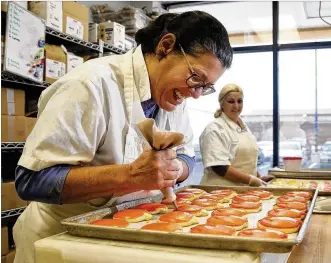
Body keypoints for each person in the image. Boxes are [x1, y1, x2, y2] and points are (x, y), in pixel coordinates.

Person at [13, 11, 233, 263]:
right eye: (196, 78)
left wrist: (175, 168)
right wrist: (131, 176)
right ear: (166, 46)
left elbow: (187, 155)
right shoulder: (91, 85)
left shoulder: (176, 95)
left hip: (125, 239)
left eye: (205, 87)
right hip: (61, 243)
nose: (195, 94)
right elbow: (31, 180)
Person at [200, 84, 274, 186]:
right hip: (219, 191)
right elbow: (219, 167)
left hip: (242, 190)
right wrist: (249, 180)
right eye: (231, 101)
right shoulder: (215, 129)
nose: (236, 106)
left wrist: (258, 177)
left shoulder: (244, 127)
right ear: (222, 104)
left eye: (239, 101)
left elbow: (245, 161)